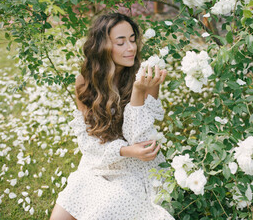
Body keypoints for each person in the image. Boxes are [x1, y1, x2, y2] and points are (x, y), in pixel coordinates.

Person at [50, 13, 174, 220]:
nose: (131, 48)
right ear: (103, 47)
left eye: (133, 39)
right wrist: (124, 150)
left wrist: (137, 91)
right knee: (62, 214)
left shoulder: (144, 77)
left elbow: (140, 140)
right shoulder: (85, 81)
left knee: (108, 207)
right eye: (121, 42)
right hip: (100, 160)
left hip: (137, 166)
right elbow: (88, 141)